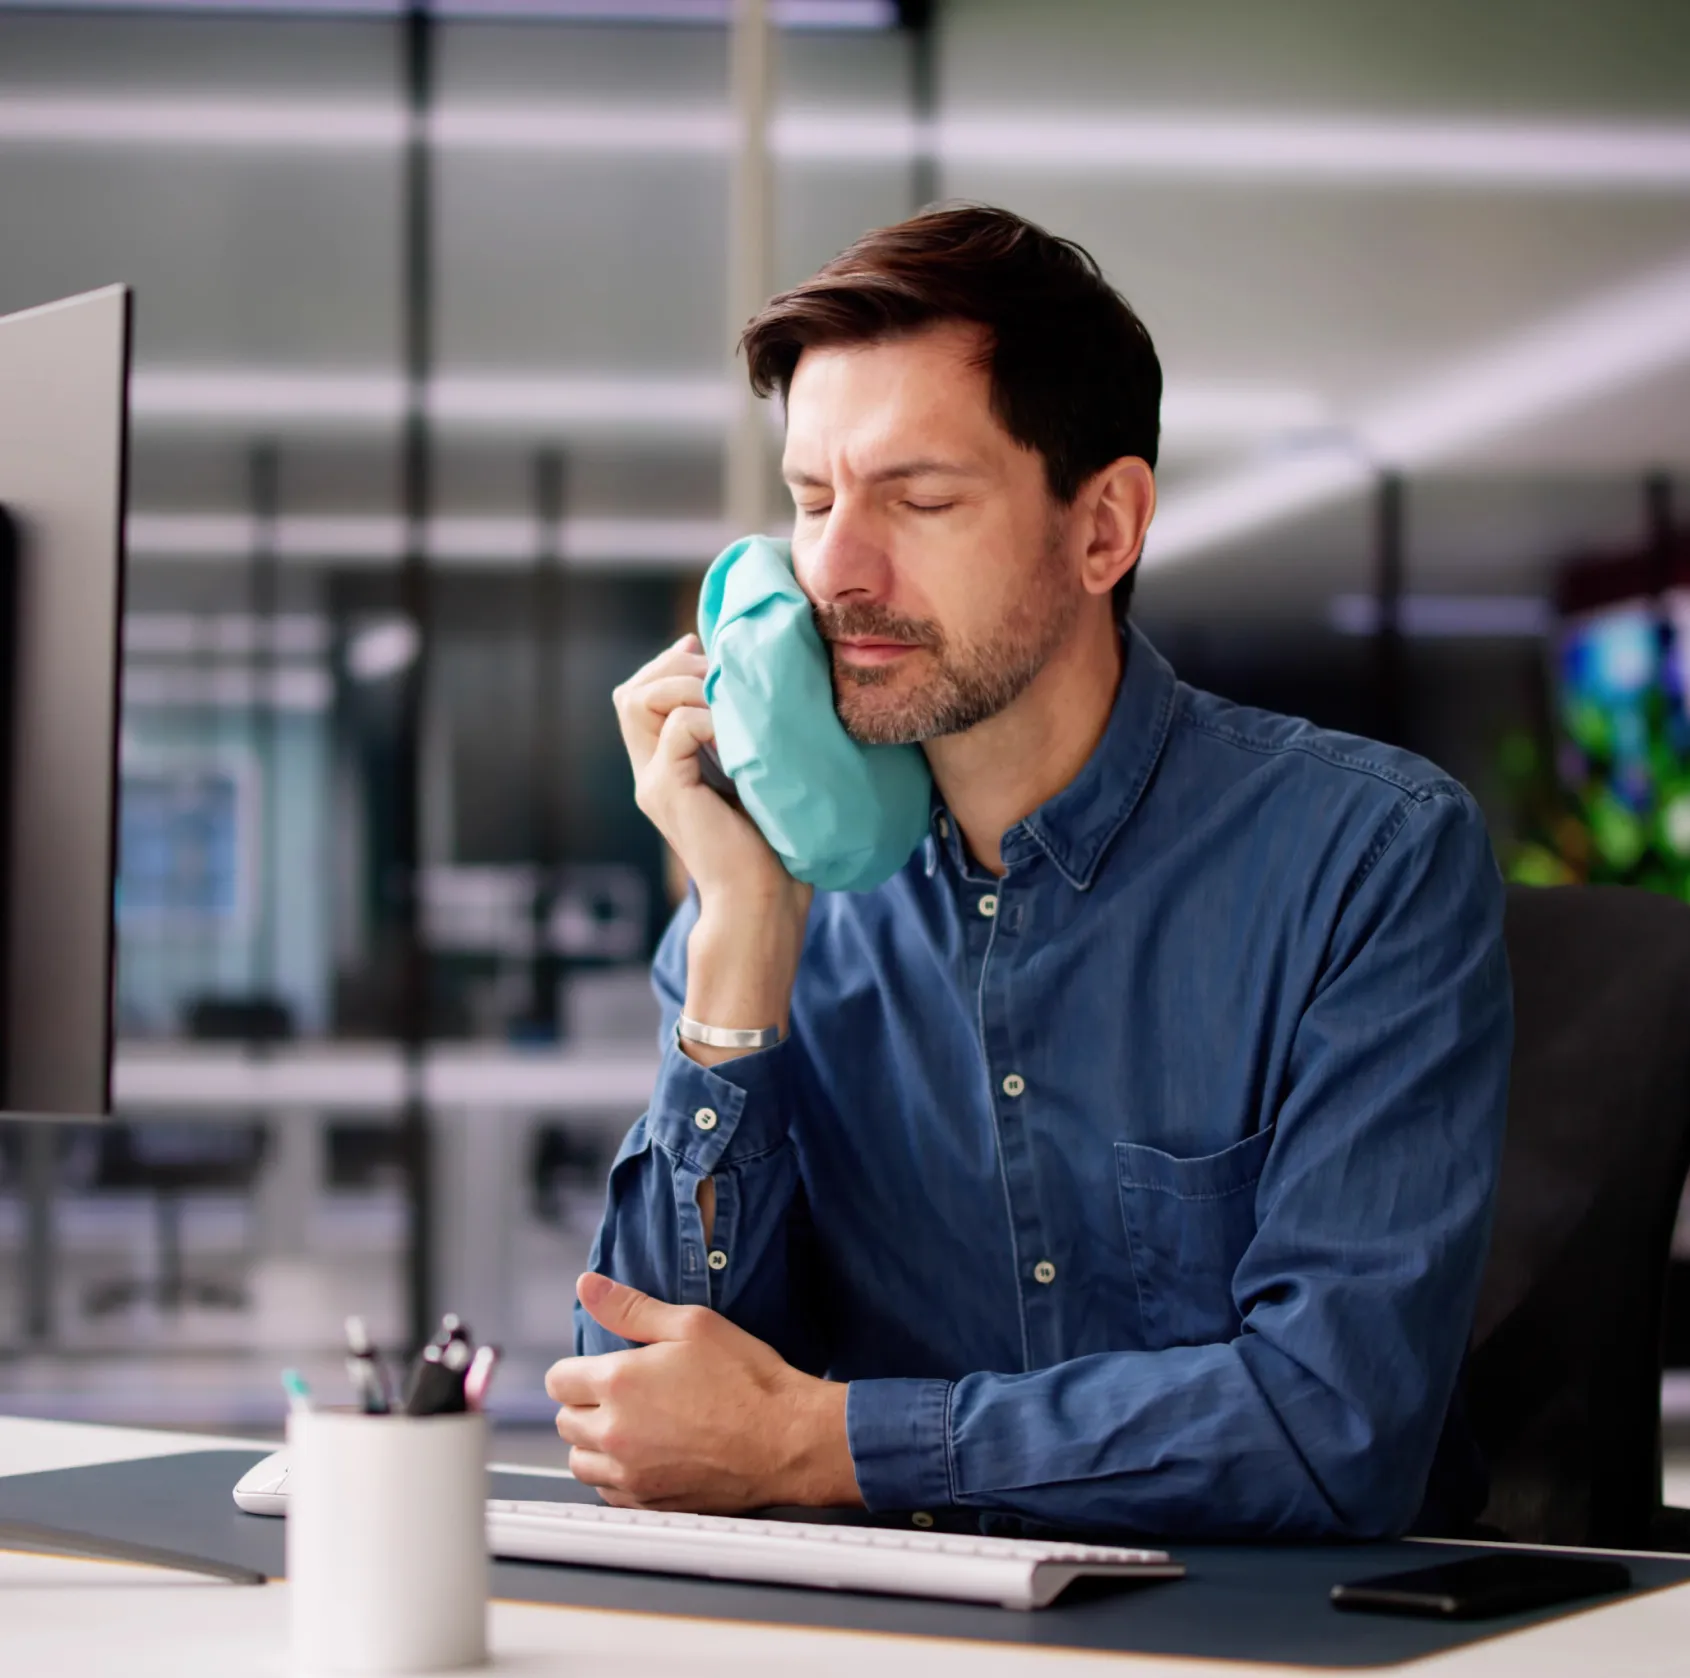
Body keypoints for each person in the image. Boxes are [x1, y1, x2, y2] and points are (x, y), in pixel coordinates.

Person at [547, 205, 1512, 1540]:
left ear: (1103, 527)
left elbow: (1329, 1428)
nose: (832, 567)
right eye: (811, 500)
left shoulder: (1367, 857)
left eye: (919, 498)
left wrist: (822, 1441)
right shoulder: (768, 890)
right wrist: (742, 939)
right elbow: (656, 1407)